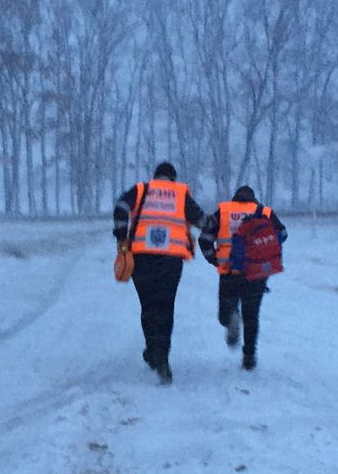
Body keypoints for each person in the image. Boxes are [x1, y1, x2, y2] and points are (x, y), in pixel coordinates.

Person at [113, 161, 206, 384]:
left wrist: (122, 238)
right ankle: (162, 358)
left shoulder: (141, 189)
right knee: (165, 307)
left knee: (149, 306)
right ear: (173, 179)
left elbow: (121, 208)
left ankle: (152, 350)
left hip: (142, 259)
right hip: (171, 261)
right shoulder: (180, 194)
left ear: (155, 176)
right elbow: (202, 220)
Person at [199, 185, 287, 371]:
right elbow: (283, 234)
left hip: (229, 271)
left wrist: (214, 259)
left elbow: (205, 237)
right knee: (252, 315)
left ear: (235, 198)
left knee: (226, 311)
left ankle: (231, 317)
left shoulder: (223, 211)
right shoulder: (263, 211)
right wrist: (266, 250)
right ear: (253, 199)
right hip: (256, 272)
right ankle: (249, 357)